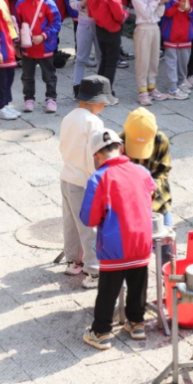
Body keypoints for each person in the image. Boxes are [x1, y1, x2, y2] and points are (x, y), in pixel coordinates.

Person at [80, 129, 157, 350]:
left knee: (108, 289)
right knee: (138, 282)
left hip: (115, 244)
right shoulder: (141, 170)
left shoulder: (98, 178)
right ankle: (136, 322)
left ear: (96, 156)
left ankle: (101, 332)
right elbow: (152, 193)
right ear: (121, 148)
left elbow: (89, 217)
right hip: (142, 240)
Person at [60, 76, 110, 288]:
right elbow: (95, 155)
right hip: (85, 181)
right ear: (96, 101)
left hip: (67, 176)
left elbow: (62, 146)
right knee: (90, 227)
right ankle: (94, 271)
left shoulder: (69, 117)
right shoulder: (94, 122)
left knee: (70, 221)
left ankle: (73, 260)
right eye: (104, 102)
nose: (105, 106)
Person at [123, 108, 173, 261]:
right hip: (130, 202)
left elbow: (163, 172)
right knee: (133, 248)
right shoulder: (119, 142)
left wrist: (150, 191)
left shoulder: (161, 140)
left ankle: (167, 273)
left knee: (166, 246)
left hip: (158, 200)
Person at [14, 0, 63, 114]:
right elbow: (16, 23)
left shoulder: (49, 3)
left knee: (49, 75)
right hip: (27, 47)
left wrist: (44, 35)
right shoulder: (20, 3)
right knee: (27, 76)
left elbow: (56, 23)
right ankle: (28, 99)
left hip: (45, 46)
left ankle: (51, 98)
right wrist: (17, 41)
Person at [87, 0, 127, 103]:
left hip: (99, 29)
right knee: (111, 63)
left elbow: (90, 13)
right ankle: (107, 94)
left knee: (104, 60)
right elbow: (119, 15)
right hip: (112, 31)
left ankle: (98, 91)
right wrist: (125, 14)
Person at [70, 0, 109, 93]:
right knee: (81, 57)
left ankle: (100, 87)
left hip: (100, 25)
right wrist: (83, 2)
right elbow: (72, 2)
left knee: (101, 56)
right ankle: (77, 86)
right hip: (84, 24)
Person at [130, 0, 165, 106]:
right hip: (143, 29)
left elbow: (158, 14)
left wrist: (161, 3)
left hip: (155, 28)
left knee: (154, 60)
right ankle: (142, 91)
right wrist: (156, 1)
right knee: (142, 61)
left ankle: (152, 87)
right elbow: (146, 14)